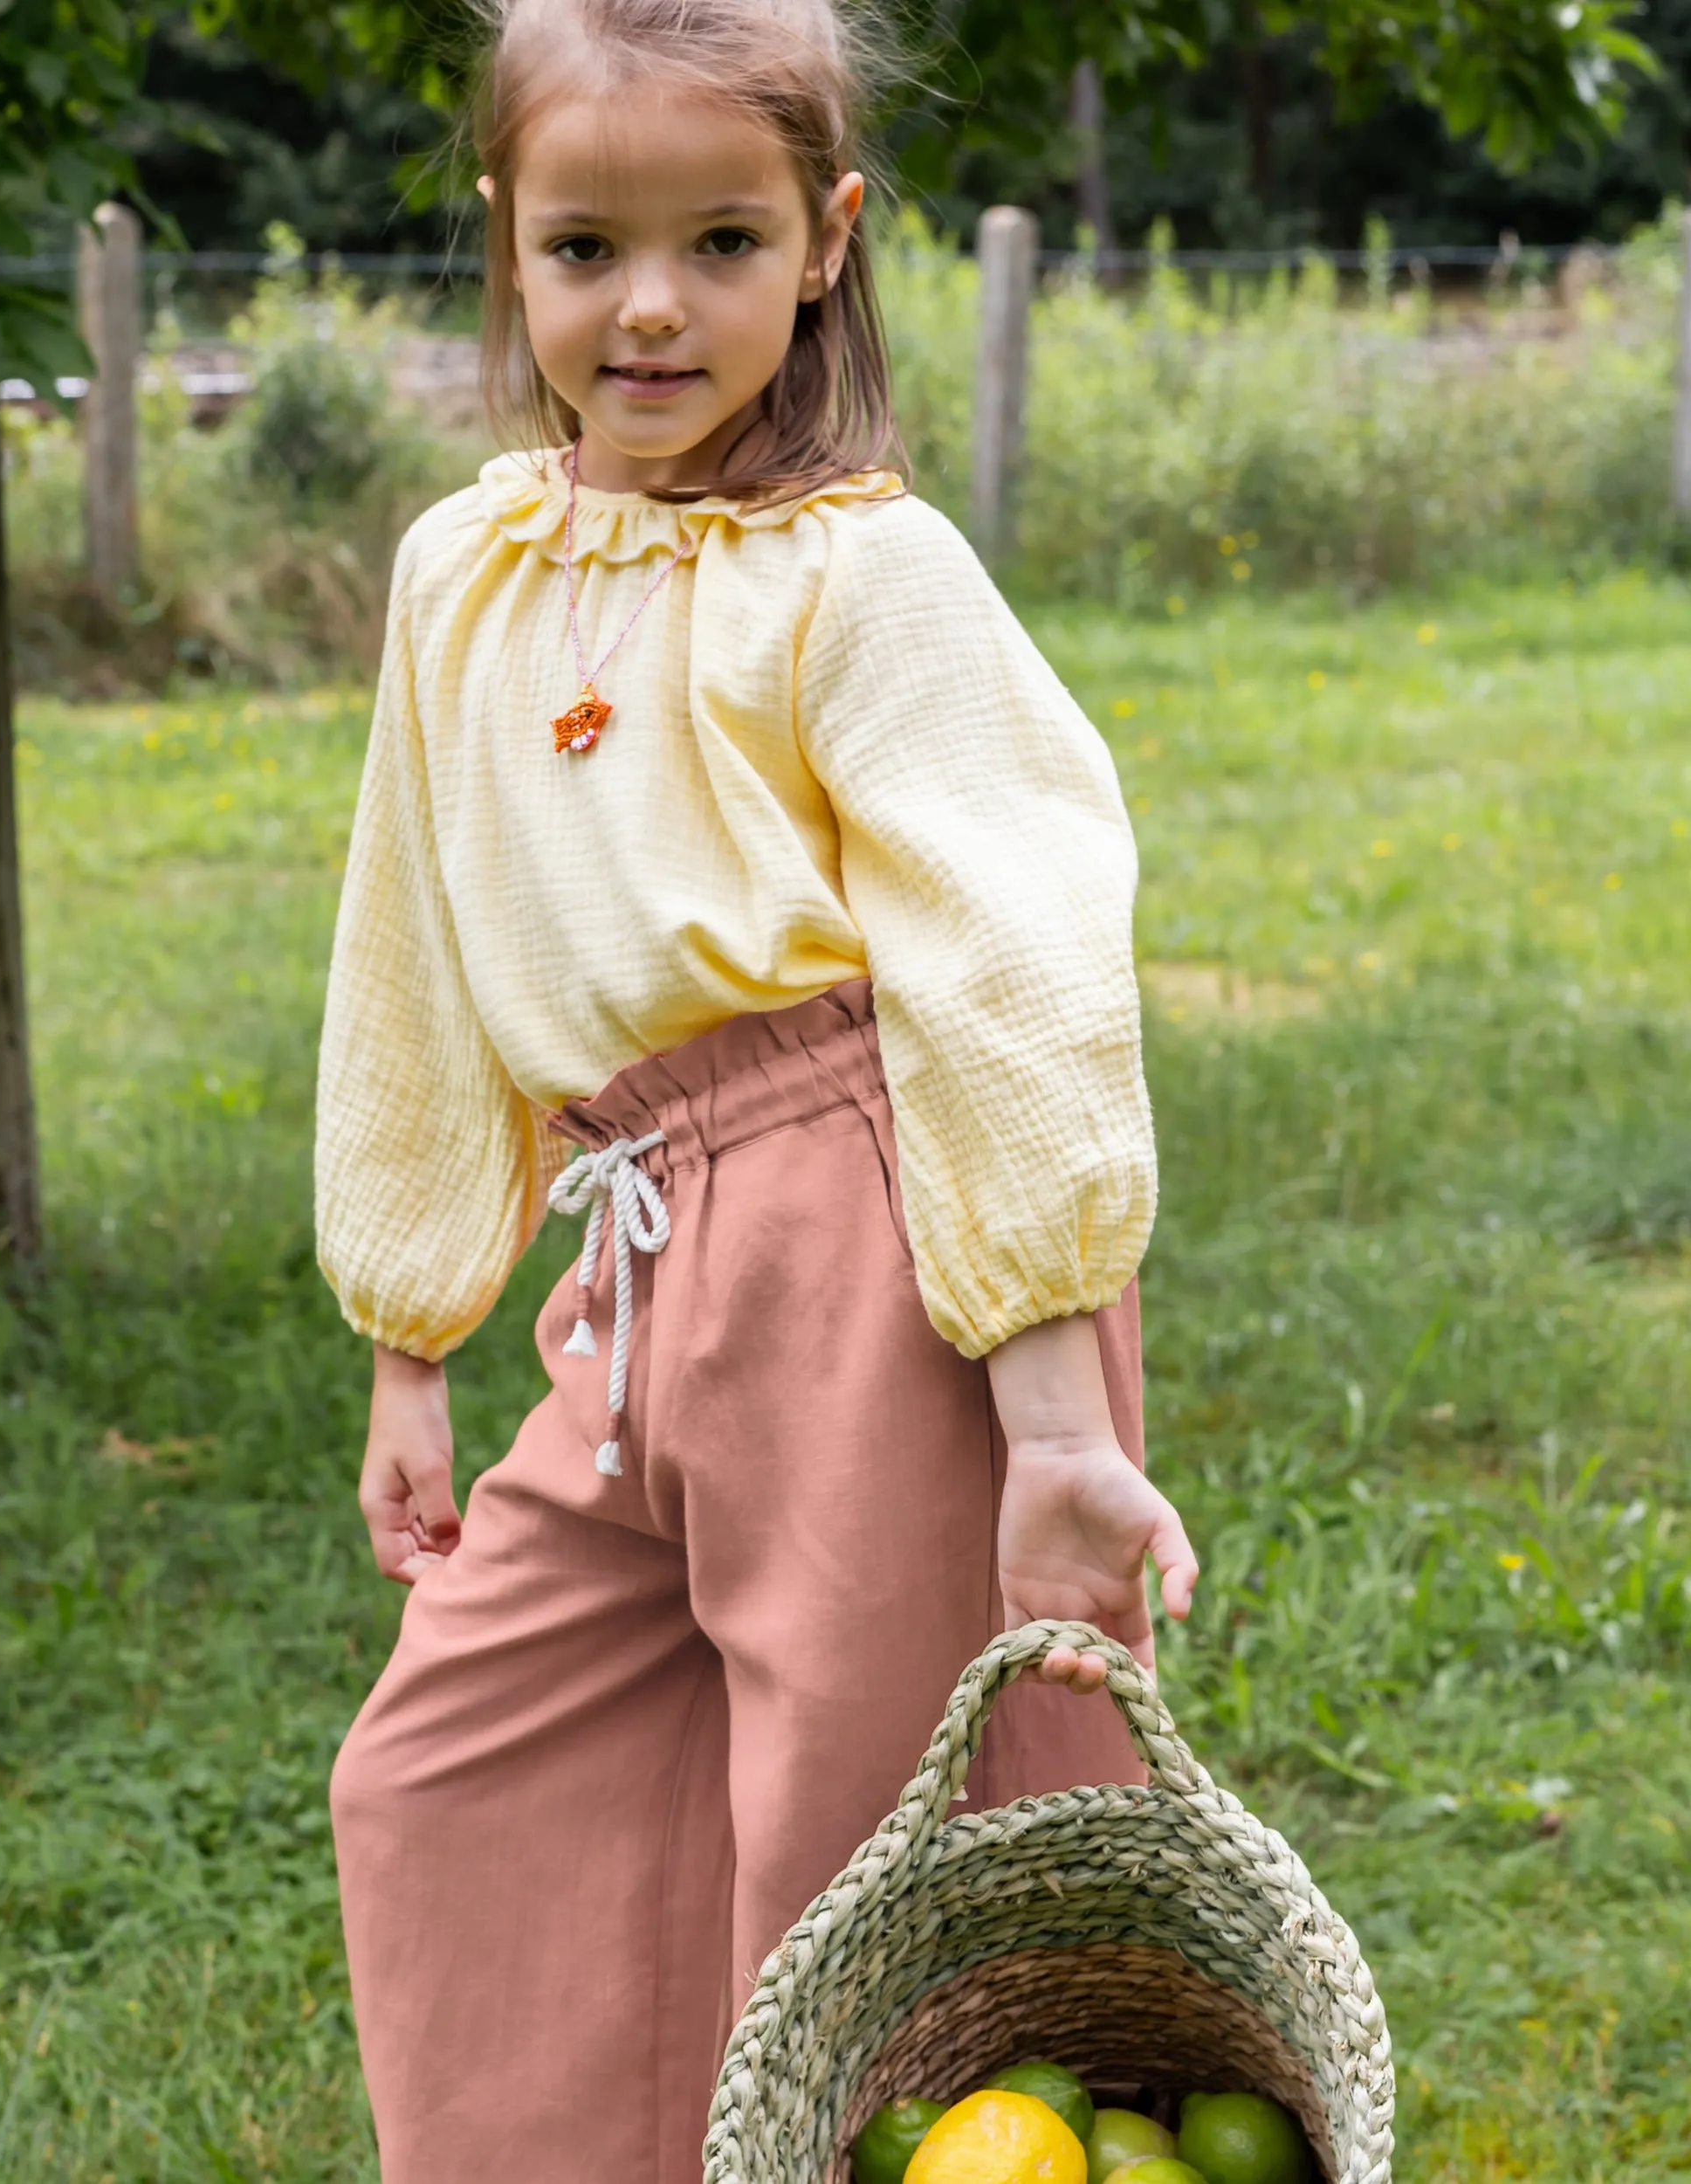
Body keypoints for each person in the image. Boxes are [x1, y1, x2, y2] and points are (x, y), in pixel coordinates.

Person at [316, 0, 1200, 2174]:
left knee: (856, 1824)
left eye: (718, 240)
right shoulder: (467, 572)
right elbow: (415, 948)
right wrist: (410, 1326)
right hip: (631, 1248)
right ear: (506, 250)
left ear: (825, 241)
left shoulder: (862, 577)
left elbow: (1008, 976)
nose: (646, 306)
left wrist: (1053, 1423)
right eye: (582, 246)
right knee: (454, 1768)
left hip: (873, 1240)